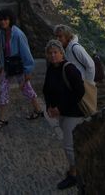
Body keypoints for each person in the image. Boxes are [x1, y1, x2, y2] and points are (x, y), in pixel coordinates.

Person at [43, 39, 86, 190]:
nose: (53, 55)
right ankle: (77, 168)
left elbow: (79, 92)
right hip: (60, 112)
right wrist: (49, 106)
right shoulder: (51, 68)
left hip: (73, 113)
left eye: (56, 52)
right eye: (50, 53)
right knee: (71, 143)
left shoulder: (69, 69)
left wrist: (60, 108)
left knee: (68, 145)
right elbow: (46, 89)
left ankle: (75, 175)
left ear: (62, 53)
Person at [0, 8, 43, 130]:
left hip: (18, 65)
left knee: (26, 88)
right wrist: (1, 65)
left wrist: (28, 71)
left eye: (5, 19)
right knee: (3, 91)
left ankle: (38, 110)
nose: (3, 22)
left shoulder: (18, 34)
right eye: (1, 20)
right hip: (7, 65)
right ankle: (2, 118)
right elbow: (1, 51)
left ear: (10, 20)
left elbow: (26, 53)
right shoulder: (1, 33)